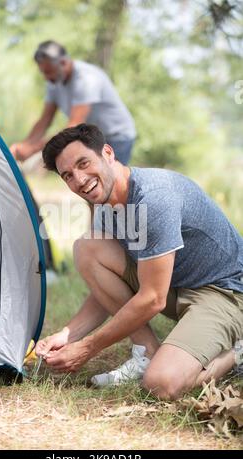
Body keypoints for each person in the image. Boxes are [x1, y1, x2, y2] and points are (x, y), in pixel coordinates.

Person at [35, 124, 243, 400]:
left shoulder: (154, 197)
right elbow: (108, 288)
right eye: (68, 175)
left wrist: (87, 347)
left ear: (107, 153)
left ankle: (237, 353)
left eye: (84, 163)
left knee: (161, 384)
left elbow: (153, 298)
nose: (80, 180)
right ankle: (147, 351)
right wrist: (68, 334)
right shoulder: (105, 206)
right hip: (175, 287)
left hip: (224, 293)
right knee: (87, 248)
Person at [10, 40, 136, 166]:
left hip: (117, 135)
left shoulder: (86, 78)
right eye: (43, 72)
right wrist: (23, 146)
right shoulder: (54, 82)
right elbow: (45, 120)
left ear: (63, 62)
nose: (46, 77)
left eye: (48, 71)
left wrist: (32, 150)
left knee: (110, 179)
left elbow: (74, 125)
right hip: (94, 136)